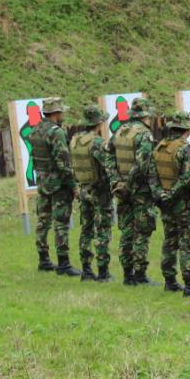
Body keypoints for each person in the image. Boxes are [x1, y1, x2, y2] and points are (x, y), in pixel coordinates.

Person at [29, 97, 81, 276]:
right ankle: (63, 263)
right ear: (56, 113)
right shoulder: (56, 132)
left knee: (43, 221)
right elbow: (63, 163)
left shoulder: (36, 130)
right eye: (62, 112)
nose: (63, 115)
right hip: (58, 184)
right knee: (61, 223)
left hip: (43, 182)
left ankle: (43, 259)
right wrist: (73, 185)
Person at [112, 97, 162, 285]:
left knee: (126, 231)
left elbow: (108, 156)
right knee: (142, 231)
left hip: (122, 190)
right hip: (140, 191)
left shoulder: (119, 131)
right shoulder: (144, 135)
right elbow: (142, 164)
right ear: (146, 115)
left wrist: (116, 181)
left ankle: (127, 274)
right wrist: (129, 184)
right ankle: (139, 274)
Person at [155, 111, 190, 296]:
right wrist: (173, 194)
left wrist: (160, 195)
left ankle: (169, 281)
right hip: (184, 204)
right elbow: (188, 177)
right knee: (188, 243)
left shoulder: (160, 147)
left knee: (170, 241)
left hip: (165, 202)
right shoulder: (185, 149)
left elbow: (151, 174)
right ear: (186, 129)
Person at [69, 103, 114, 281]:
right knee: (103, 230)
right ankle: (103, 273)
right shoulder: (97, 142)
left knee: (86, 230)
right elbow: (108, 165)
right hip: (99, 191)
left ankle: (86, 271)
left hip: (82, 189)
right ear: (99, 123)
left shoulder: (75, 140)